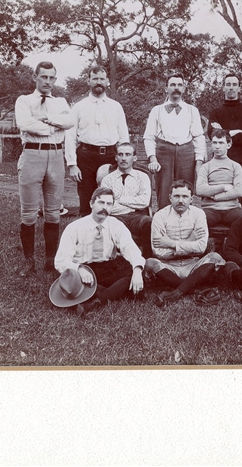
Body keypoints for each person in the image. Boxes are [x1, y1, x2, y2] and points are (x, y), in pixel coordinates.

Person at [14, 61, 75, 276]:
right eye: (44, 77)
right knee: (29, 212)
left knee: (53, 211)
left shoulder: (60, 102)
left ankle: (50, 261)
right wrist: (51, 128)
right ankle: (29, 262)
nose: (48, 81)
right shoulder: (24, 100)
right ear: (35, 77)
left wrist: (47, 119)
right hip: (32, 154)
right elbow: (25, 124)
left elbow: (70, 122)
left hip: (56, 156)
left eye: (51, 78)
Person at [54, 187, 145, 317]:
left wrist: (137, 270)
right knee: (130, 287)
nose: (105, 208)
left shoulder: (115, 224)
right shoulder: (74, 228)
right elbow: (60, 261)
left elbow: (130, 248)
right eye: (101, 203)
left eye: (109, 204)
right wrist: (79, 269)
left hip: (107, 268)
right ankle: (111, 293)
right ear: (91, 204)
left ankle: (94, 300)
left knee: (138, 277)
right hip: (83, 271)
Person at [144, 180, 225, 305]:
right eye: (176, 196)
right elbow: (158, 252)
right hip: (169, 266)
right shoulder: (160, 216)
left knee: (215, 257)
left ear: (191, 199)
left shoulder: (199, 214)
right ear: (170, 198)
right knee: (150, 262)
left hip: (192, 263)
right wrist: (190, 241)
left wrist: (170, 243)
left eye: (185, 196)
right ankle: (195, 290)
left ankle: (176, 293)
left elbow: (201, 247)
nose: (180, 200)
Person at [65, 66, 129, 216]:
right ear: (88, 81)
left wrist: (125, 158)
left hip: (110, 156)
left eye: (101, 79)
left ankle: (110, 233)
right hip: (86, 156)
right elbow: (70, 136)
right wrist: (72, 164)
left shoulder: (116, 107)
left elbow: (124, 135)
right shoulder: (79, 107)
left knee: (110, 196)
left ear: (107, 82)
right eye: (95, 79)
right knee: (87, 198)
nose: (98, 82)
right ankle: (86, 234)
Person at [143, 73, 206, 210]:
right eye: (172, 85)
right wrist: (153, 159)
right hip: (164, 153)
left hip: (186, 153)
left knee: (185, 191)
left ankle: (186, 223)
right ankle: (164, 224)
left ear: (183, 89)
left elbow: (199, 137)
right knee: (165, 191)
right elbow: (149, 137)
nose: (176, 88)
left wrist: (199, 162)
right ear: (166, 88)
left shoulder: (192, 110)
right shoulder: (157, 110)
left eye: (179, 85)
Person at [208, 72, 242, 203]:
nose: (231, 87)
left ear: (239, 88)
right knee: (220, 197)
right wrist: (234, 132)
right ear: (223, 87)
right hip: (219, 161)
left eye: (234, 85)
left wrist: (223, 132)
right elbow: (212, 134)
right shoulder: (215, 112)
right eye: (228, 84)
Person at [100, 141, 152, 254]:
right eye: (120, 154)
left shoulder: (142, 177)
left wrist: (119, 201)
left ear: (134, 158)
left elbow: (144, 201)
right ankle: (119, 262)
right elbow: (106, 206)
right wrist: (132, 206)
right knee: (111, 225)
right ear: (116, 157)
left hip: (137, 216)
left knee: (149, 222)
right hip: (116, 217)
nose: (124, 158)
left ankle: (148, 260)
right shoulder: (108, 179)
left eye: (128, 155)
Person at [195, 129, 242, 228]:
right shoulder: (205, 167)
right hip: (209, 209)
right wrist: (224, 187)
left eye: (221, 143)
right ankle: (201, 244)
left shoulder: (236, 166)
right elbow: (200, 190)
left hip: (232, 209)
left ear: (228, 145)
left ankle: (232, 244)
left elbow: (239, 191)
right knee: (196, 220)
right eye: (214, 143)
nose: (217, 146)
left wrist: (215, 196)